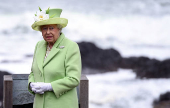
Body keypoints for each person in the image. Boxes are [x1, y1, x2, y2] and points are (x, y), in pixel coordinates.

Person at [28, 7, 82, 108]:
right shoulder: (39, 46)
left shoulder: (71, 46)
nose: (48, 32)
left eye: (51, 28)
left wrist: (49, 86)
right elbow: (33, 72)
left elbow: (73, 79)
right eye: (44, 28)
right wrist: (31, 84)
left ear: (59, 29)